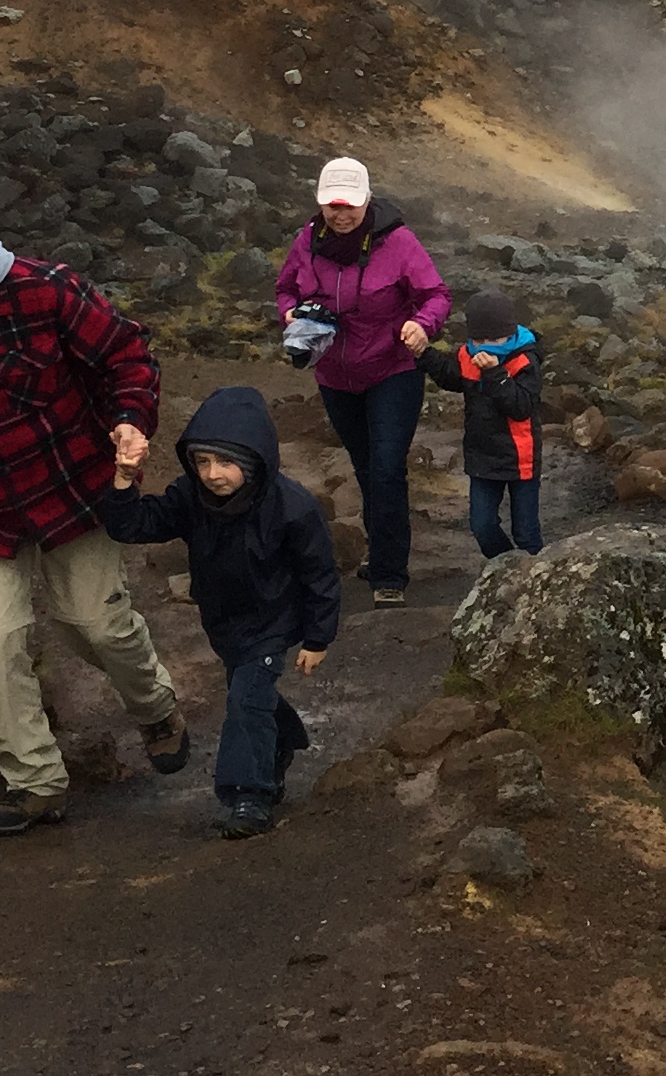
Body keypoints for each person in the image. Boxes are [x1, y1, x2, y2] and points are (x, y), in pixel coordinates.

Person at [0, 200, 180, 836]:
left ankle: (156, 708)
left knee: (95, 627)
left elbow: (128, 356)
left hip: (70, 481)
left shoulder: (43, 291)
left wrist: (130, 421)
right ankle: (33, 782)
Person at [92, 387, 339, 837]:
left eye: (226, 463)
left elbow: (320, 574)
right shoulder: (191, 498)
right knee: (253, 700)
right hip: (223, 622)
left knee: (245, 699)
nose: (212, 474)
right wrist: (125, 479)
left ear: (255, 460)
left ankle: (249, 795)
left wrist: (318, 637)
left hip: (272, 622)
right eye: (202, 462)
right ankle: (283, 738)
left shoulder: (292, 506)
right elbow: (134, 525)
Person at [273, 158, 457, 609]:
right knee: (365, 467)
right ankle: (379, 556)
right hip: (335, 375)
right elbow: (285, 289)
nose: (341, 214)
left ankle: (390, 575)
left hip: (393, 369)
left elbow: (437, 295)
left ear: (367, 201)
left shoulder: (398, 242)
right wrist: (291, 314)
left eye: (349, 206)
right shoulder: (307, 241)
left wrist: (422, 324)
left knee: (388, 467)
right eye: (332, 206)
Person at [443, 318, 555, 564]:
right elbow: (448, 376)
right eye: (479, 340)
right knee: (482, 526)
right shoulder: (466, 355)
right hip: (482, 459)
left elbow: (521, 407)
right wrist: (422, 354)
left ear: (509, 334)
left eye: (494, 340)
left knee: (526, 534)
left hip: (520, 460)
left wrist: (495, 373)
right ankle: (509, 570)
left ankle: (536, 578)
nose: (485, 347)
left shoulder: (525, 360)